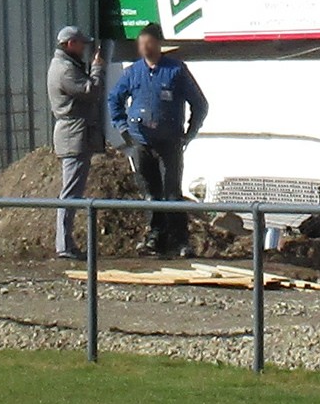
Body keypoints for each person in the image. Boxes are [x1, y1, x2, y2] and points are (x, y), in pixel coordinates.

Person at [111, 29, 209, 257]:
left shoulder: (176, 70)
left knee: (172, 192)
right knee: (149, 193)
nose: (145, 47)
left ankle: (181, 240)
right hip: (141, 143)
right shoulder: (133, 72)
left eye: (150, 42)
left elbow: (200, 103)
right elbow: (114, 99)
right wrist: (124, 129)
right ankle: (155, 237)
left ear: (159, 44)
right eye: (142, 43)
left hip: (170, 143)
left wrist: (189, 132)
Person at [47, 26, 105, 259]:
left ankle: (65, 243)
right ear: (70, 44)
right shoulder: (65, 70)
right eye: (81, 44)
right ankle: (63, 245)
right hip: (74, 135)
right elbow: (91, 91)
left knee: (72, 191)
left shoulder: (64, 66)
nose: (84, 48)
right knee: (70, 192)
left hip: (75, 133)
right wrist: (98, 67)